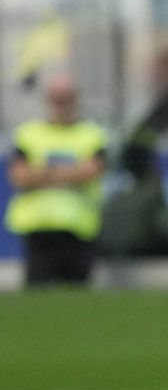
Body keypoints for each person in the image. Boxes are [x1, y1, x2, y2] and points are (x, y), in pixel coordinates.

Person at [7, 73, 109, 289]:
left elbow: (92, 171)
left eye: (67, 98)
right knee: (37, 295)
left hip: (78, 226)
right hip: (38, 226)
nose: (62, 104)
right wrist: (69, 173)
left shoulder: (91, 134)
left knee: (77, 294)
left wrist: (43, 173)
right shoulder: (29, 134)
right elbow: (20, 175)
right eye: (57, 98)